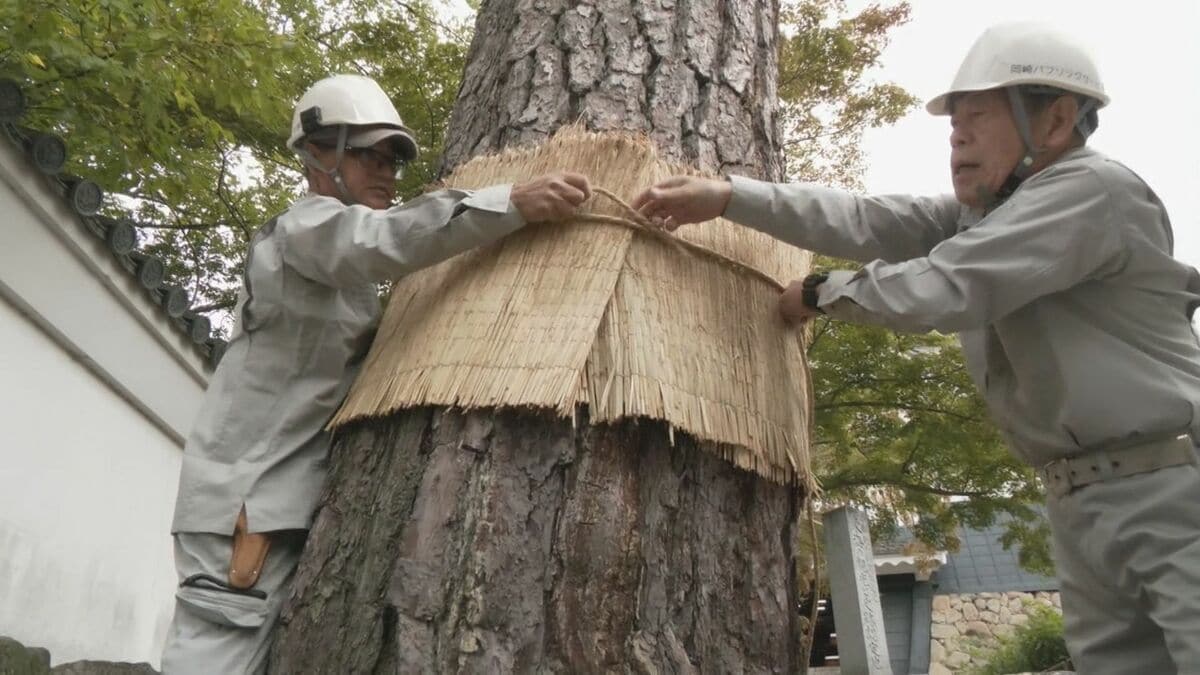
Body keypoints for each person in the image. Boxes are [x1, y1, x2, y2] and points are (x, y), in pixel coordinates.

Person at [633, 22, 1200, 673]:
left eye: (978, 117)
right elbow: (865, 218)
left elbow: (949, 285)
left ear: (1055, 122)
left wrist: (821, 292)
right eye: (954, 123)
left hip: (1170, 484)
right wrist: (730, 197)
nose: (957, 136)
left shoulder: (1090, 190)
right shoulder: (985, 217)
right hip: (1081, 497)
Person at [160, 73, 591, 674]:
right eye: (368, 155)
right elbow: (380, 241)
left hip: (275, 505)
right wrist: (508, 202)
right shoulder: (305, 230)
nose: (387, 172)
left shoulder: (341, 274)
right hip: (247, 509)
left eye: (393, 160)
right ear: (318, 155)